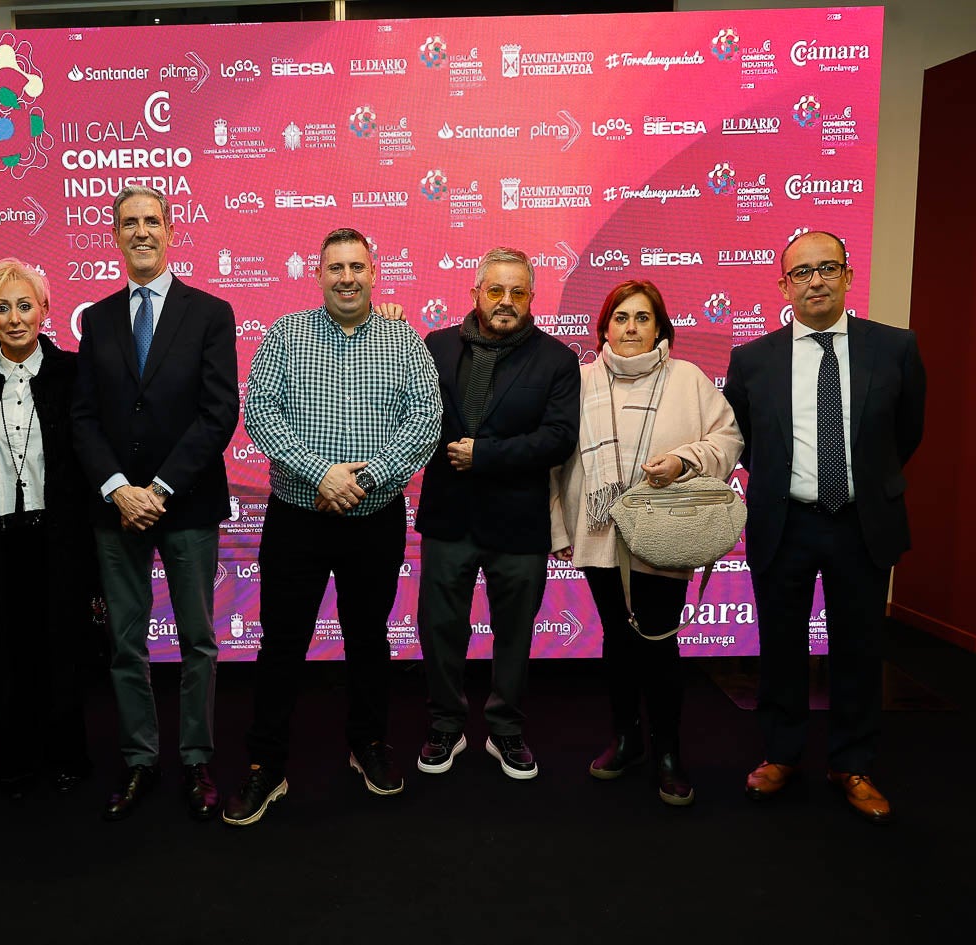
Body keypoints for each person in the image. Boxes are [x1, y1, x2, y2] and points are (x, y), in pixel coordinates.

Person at [223, 227, 442, 826]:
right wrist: (321, 474)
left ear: (375, 272)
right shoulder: (287, 335)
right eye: (335, 267)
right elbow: (260, 412)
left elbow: (426, 421)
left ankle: (367, 745)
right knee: (282, 641)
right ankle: (266, 766)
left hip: (375, 518)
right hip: (298, 516)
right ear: (317, 274)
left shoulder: (404, 340)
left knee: (368, 636)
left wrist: (364, 481)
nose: (346, 277)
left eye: (357, 266)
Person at [725, 230, 925, 823]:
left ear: (847, 276)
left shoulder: (894, 348)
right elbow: (746, 442)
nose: (815, 280)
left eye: (827, 268)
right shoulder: (753, 358)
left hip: (863, 524)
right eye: (802, 272)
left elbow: (906, 432)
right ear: (783, 285)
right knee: (781, 647)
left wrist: (863, 482)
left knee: (859, 649)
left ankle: (853, 762)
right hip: (784, 522)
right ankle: (782, 754)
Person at [71, 186, 239, 822]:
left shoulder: (210, 312)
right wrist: (119, 488)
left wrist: (160, 488)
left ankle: (197, 758)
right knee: (125, 642)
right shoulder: (98, 318)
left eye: (152, 221)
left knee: (198, 640)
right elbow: (83, 416)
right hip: (116, 509)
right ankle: (140, 759)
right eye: (128, 223)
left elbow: (219, 409)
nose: (140, 232)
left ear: (171, 231)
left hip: (187, 503)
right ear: (114, 235)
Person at [550, 278, 742, 806]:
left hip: (664, 532)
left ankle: (668, 752)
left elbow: (727, 438)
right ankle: (626, 738)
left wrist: (685, 461)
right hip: (599, 532)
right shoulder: (581, 380)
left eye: (642, 318)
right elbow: (555, 459)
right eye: (621, 318)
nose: (631, 328)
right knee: (617, 639)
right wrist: (560, 529)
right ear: (605, 326)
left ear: (660, 327)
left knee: (658, 643)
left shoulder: (688, 378)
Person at [413, 247, 579, 780]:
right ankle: (445, 724)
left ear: (531, 297)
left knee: (515, 632)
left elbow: (559, 439)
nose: (506, 301)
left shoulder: (556, 359)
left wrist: (485, 455)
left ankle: (506, 730)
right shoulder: (432, 347)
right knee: (440, 627)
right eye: (496, 290)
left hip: (519, 524)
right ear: (476, 293)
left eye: (518, 292)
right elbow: (408, 413)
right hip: (448, 518)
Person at [0, 258, 99, 800]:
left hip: (61, 539)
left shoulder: (76, 374)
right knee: (2, 650)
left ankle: (66, 755)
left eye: (24, 305)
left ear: (45, 310)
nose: (14, 317)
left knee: (61, 647)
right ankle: (10, 760)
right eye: (2, 306)